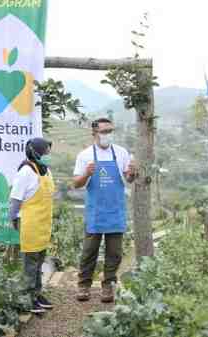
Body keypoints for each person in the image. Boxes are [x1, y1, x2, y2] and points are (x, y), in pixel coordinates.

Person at [73, 118, 136, 303]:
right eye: (104, 131)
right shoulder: (85, 155)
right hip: (96, 211)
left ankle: (108, 285)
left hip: (116, 209)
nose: (108, 134)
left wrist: (132, 173)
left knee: (114, 252)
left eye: (110, 130)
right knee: (89, 251)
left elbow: (128, 179)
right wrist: (87, 173)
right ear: (94, 133)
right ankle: (83, 285)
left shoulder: (121, 152)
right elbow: (76, 184)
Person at [9, 138, 55, 314]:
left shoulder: (45, 171)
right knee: (30, 263)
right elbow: (15, 200)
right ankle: (27, 299)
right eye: (45, 152)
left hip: (43, 223)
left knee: (40, 260)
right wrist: (13, 219)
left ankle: (36, 294)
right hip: (29, 223)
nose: (47, 155)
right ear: (36, 152)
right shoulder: (26, 172)